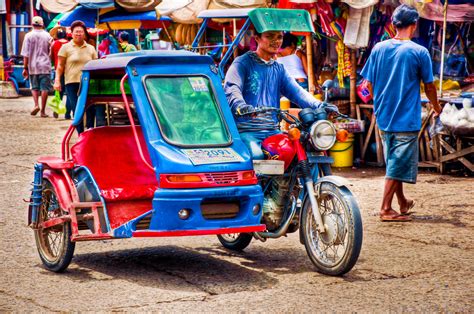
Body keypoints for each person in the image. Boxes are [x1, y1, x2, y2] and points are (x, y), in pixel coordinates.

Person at [361, 4, 442, 222]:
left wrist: (382, 96)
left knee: (394, 162)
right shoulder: (419, 51)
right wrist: (435, 106)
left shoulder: (379, 48)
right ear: (414, 25)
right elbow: (430, 86)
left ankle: (402, 203)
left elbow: (366, 84)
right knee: (397, 165)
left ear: (393, 25)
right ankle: (386, 209)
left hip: (384, 116)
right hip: (405, 118)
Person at [224, 30, 336, 159]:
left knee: (298, 153)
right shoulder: (242, 63)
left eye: (279, 37)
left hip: (272, 130)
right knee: (257, 155)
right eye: (269, 36)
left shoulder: (279, 69)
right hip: (246, 131)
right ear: (257, 38)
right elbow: (232, 88)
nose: (276, 41)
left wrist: (319, 105)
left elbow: (297, 92)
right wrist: (240, 105)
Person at [54, 20, 98, 131]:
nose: (78, 34)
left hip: (88, 82)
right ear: (71, 33)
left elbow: (96, 66)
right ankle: (80, 134)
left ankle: (90, 130)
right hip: (71, 83)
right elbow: (60, 66)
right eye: (76, 32)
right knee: (76, 109)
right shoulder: (65, 47)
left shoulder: (91, 48)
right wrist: (57, 80)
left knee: (90, 108)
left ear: (85, 33)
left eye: (81, 32)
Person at [20, 16, 53, 117]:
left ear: (32, 24)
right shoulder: (48, 36)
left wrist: (25, 68)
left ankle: (36, 105)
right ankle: (42, 111)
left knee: (34, 87)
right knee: (44, 88)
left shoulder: (28, 36)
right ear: (42, 24)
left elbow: (26, 54)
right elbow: (51, 52)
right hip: (45, 65)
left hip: (33, 66)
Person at [50, 28, 68, 100]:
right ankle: (68, 109)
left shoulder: (54, 43)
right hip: (68, 69)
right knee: (68, 90)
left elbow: (51, 56)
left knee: (58, 88)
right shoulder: (69, 43)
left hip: (58, 68)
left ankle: (57, 106)